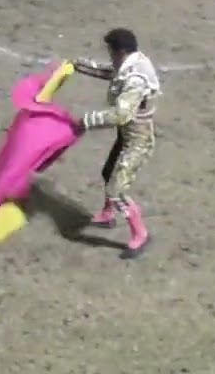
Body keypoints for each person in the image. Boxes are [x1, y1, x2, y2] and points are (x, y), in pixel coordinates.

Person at [71, 28, 162, 259]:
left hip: (137, 140)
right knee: (108, 172)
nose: (110, 56)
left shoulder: (135, 79)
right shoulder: (132, 64)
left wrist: (86, 121)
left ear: (120, 51)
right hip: (128, 135)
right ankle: (107, 215)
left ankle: (140, 234)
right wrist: (77, 65)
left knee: (116, 189)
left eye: (111, 52)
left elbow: (121, 115)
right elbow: (112, 72)